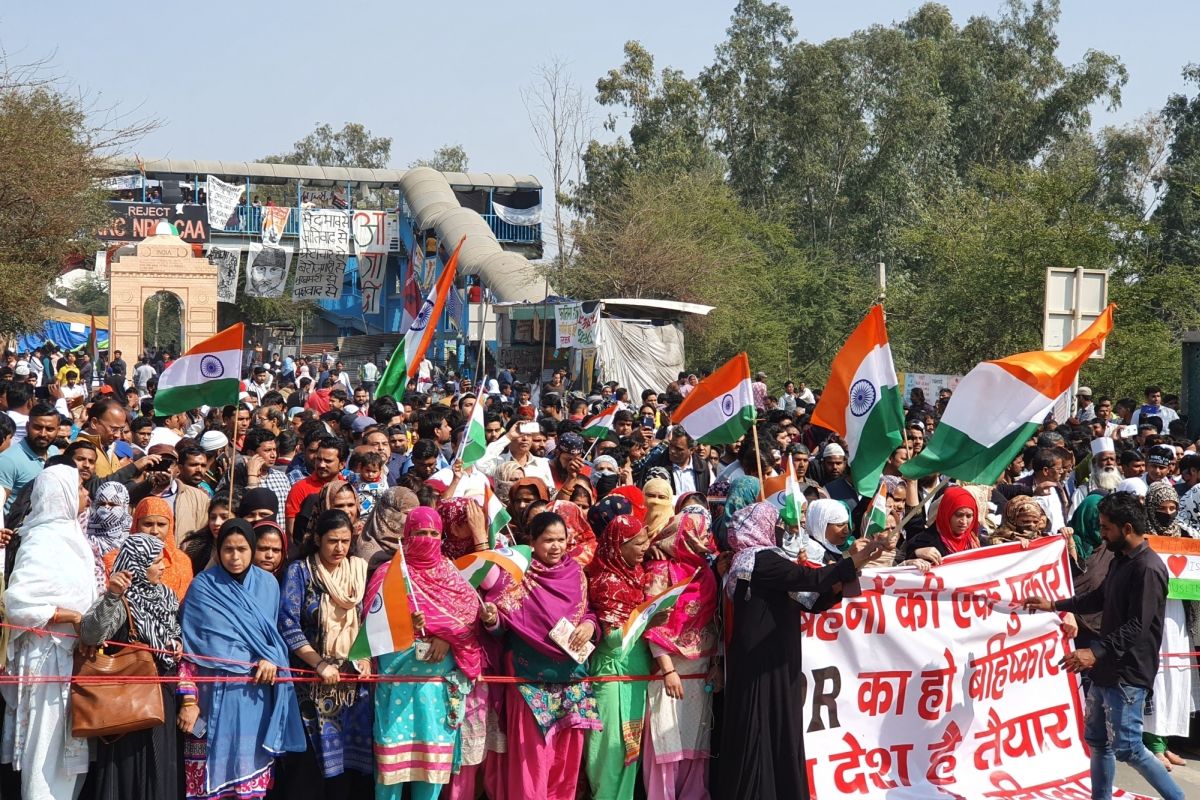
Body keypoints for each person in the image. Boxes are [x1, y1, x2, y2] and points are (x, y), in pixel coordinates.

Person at [1021, 491, 1184, 800]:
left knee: (1129, 748)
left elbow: (1137, 625)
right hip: (1106, 667)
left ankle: (1176, 797)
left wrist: (1092, 651)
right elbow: (1099, 597)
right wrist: (1053, 604)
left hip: (1129, 671)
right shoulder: (1119, 559)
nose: (1101, 533)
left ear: (1125, 528)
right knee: (1097, 740)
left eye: (1106, 527)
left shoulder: (1148, 568)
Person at [719, 502, 883, 799]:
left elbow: (809, 598)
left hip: (774, 660)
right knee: (761, 730)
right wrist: (857, 558)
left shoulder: (757, 560)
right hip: (762, 662)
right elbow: (810, 580)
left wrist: (850, 569)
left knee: (777, 728)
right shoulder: (760, 559)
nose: (780, 528)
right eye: (775, 523)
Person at [178, 519, 306, 800]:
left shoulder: (268, 585)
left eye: (242, 549)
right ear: (218, 550)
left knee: (249, 786)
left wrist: (270, 659)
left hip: (253, 699)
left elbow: (272, 640)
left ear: (252, 549)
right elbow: (188, 651)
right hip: (208, 699)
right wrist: (189, 701)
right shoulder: (201, 587)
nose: (235, 557)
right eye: (227, 549)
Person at [370, 506, 490, 800]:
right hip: (396, 684)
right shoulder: (390, 573)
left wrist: (447, 639)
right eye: (420, 533)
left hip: (436, 691)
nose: (427, 538)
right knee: (390, 773)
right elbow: (372, 620)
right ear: (406, 535)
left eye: (434, 533)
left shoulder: (450, 572)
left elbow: (468, 617)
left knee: (431, 773)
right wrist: (404, 623)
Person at [485, 511, 601, 799]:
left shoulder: (576, 573)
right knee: (532, 762)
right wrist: (491, 620)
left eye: (561, 540)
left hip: (572, 679)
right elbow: (503, 627)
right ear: (532, 542)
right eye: (548, 540)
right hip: (529, 680)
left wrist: (589, 625)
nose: (556, 546)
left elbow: (588, 613)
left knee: (566, 761)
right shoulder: (516, 575)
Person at [0, 465, 97, 800]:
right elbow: (20, 602)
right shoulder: (41, 538)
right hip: (46, 656)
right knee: (45, 743)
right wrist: (72, 617)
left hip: (72, 653)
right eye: (81, 488)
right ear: (63, 494)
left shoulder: (72, 534)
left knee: (69, 748)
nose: (87, 494)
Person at [276, 509, 373, 799]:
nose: (339, 548)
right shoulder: (301, 571)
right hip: (312, 681)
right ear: (318, 539)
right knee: (312, 768)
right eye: (332, 541)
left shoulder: (359, 570)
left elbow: (370, 620)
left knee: (351, 768)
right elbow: (288, 623)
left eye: (345, 541)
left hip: (353, 683)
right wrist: (318, 664)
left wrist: (365, 658)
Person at [80, 533, 184, 800]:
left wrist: (176, 644)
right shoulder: (120, 600)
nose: (163, 567)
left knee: (160, 771)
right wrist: (113, 595)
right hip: (128, 702)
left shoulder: (166, 597)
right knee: (127, 773)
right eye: (156, 562)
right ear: (137, 564)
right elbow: (91, 635)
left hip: (163, 697)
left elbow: (174, 632)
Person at [642, 504, 719, 800]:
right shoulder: (661, 569)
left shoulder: (705, 571)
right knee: (666, 739)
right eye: (696, 534)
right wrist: (667, 669)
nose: (703, 539)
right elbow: (652, 619)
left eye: (705, 533)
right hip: (668, 668)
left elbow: (714, 619)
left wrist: (716, 664)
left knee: (694, 738)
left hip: (700, 670)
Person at [585, 514, 653, 800]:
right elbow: (613, 640)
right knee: (608, 752)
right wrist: (648, 617)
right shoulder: (604, 582)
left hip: (636, 675)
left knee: (630, 751)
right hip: (611, 675)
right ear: (618, 545)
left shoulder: (638, 576)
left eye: (645, 541)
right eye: (637, 543)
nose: (644, 548)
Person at [1140, 481, 1197, 772]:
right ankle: (1153, 744)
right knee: (1158, 677)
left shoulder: (1186, 537)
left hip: (1178, 616)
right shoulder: (1140, 539)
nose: (1168, 513)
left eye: (1173, 508)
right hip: (1153, 616)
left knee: (1177, 675)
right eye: (1161, 509)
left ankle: (1165, 740)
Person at [900, 486, 981, 565]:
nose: (964, 521)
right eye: (959, 515)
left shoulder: (975, 541)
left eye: (969, 516)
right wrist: (916, 554)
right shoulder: (924, 542)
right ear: (946, 513)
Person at [351, 486, 420, 573]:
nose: (411, 519)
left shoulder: (416, 545)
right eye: (406, 514)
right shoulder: (364, 551)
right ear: (386, 513)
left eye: (414, 514)